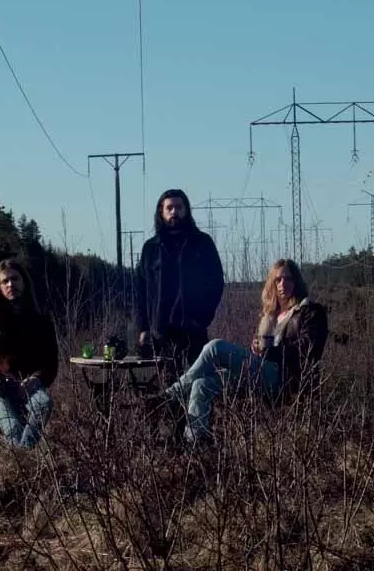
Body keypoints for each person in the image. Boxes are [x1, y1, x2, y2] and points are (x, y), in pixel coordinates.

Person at [149, 258, 328, 446]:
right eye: (278, 280)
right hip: (261, 372)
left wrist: (271, 348)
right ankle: (195, 443)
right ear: (272, 284)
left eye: (288, 279)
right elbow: (264, 350)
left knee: (215, 347)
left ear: (296, 281)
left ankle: (168, 397)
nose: (283, 284)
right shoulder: (270, 315)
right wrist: (256, 347)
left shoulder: (309, 311)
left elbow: (308, 350)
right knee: (201, 385)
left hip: (285, 377)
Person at [0, 258, 58, 448]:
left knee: (44, 404)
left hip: (28, 385)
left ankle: (20, 459)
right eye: (4, 281)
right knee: (14, 428)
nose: (10, 284)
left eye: (15, 279)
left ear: (24, 282)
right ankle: (25, 460)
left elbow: (51, 362)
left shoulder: (41, 319)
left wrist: (36, 379)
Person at [136, 188, 225, 383]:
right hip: (161, 333)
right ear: (161, 212)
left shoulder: (202, 243)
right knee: (166, 387)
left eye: (178, 207)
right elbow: (140, 292)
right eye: (169, 208)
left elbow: (216, 282)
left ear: (186, 210)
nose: (174, 212)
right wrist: (143, 328)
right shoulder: (151, 248)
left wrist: (202, 318)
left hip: (193, 331)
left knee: (197, 384)